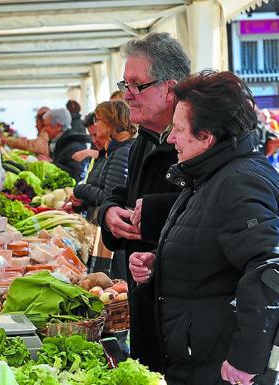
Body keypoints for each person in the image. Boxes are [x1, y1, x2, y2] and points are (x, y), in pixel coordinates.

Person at [129, 70, 279, 385]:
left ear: (207, 136)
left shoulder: (239, 182)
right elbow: (215, 250)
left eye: (179, 129)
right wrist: (161, 263)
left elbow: (269, 265)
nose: (170, 138)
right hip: (198, 360)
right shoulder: (207, 175)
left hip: (221, 369)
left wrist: (246, 360)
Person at [97, 32, 190, 371]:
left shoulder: (197, 143)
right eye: (125, 84)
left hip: (179, 307)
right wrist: (109, 213)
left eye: (137, 86)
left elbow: (204, 205)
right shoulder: (145, 139)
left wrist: (146, 213)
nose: (127, 96)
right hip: (145, 296)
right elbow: (124, 192)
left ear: (170, 88)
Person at [72, 101, 136, 223]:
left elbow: (109, 196)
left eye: (98, 120)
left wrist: (80, 190)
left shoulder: (122, 151)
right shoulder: (115, 150)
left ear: (109, 123)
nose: (95, 125)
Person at [67, 112, 107, 221]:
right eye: (91, 135)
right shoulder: (101, 155)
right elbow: (95, 190)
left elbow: (106, 197)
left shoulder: (115, 155)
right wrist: (79, 203)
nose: (94, 140)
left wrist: (80, 190)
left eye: (96, 134)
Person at [43, 108, 91, 182]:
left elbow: (77, 176)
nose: (44, 129)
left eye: (47, 125)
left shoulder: (75, 146)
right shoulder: (61, 142)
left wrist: (51, 164)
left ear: (58, 126)